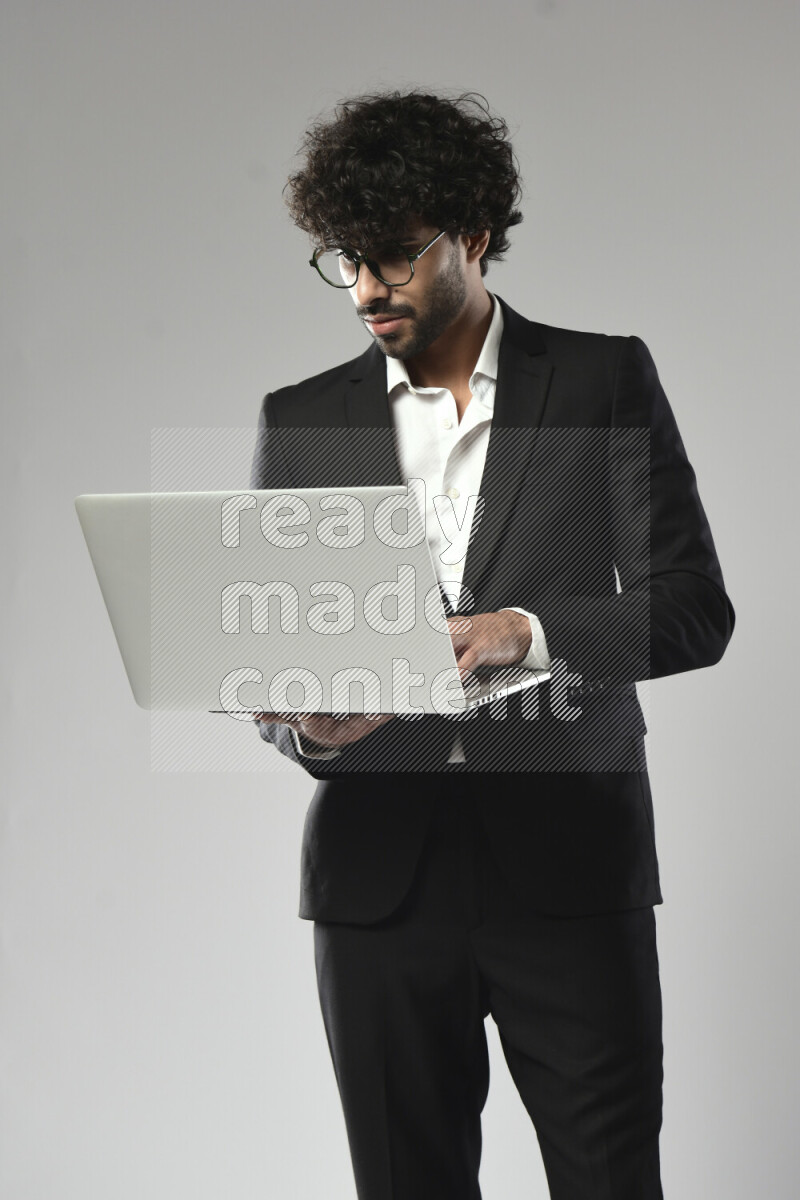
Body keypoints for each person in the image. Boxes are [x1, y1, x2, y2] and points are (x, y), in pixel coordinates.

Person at [249, 90, 735, 1200]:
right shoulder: (302, 418)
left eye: (392, 259)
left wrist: (529, 631)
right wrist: (303, 725)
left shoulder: (602, 380)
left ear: (470, 237)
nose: (365, 289)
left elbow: (692, 605)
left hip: (569, 864)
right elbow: (279, 673)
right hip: (379, 882)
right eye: (344, 262)